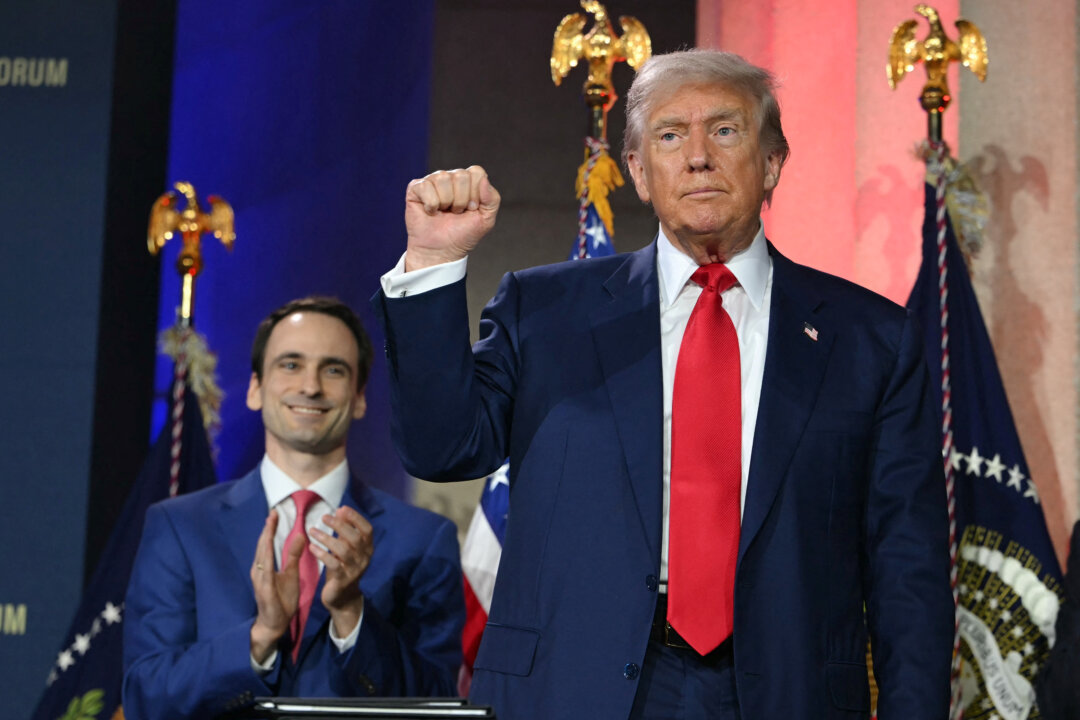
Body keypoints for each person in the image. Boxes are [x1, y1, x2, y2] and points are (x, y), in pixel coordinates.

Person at [373, 49, 953, 719]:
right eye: (671, 135)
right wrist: (434, 263)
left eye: (725, 130)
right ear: (640, 173)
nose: (698, 156)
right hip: (573, 689)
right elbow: (442, 447)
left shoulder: (869, 338)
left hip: (785, 691)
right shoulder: (545, 312)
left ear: (772, 162)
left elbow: (908, 565)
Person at [123, 297, 465, 719]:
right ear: (255, 388)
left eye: (334, 369)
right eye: (290, 365)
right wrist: (260, 637)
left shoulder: (423, 539)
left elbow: (437, 703)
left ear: (359, 397)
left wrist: (351, 613)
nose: (310, 387)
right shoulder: (180, 526)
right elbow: (146, 697)